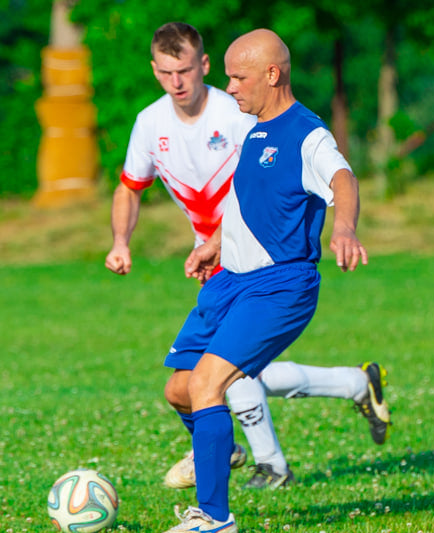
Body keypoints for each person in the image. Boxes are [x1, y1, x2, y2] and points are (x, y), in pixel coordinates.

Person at [105, 22, 391, 492]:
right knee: (201, 382)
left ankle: (256, 474)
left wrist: (344, 225)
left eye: (186, 71)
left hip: (269, 268)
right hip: (224, 263)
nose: (177, 82)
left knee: (216, 379)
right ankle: (353, 386)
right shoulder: (163, 123)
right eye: (165, 72)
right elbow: (142, 188)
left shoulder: (263, 118)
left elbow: (334, 176)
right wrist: (202, 243)